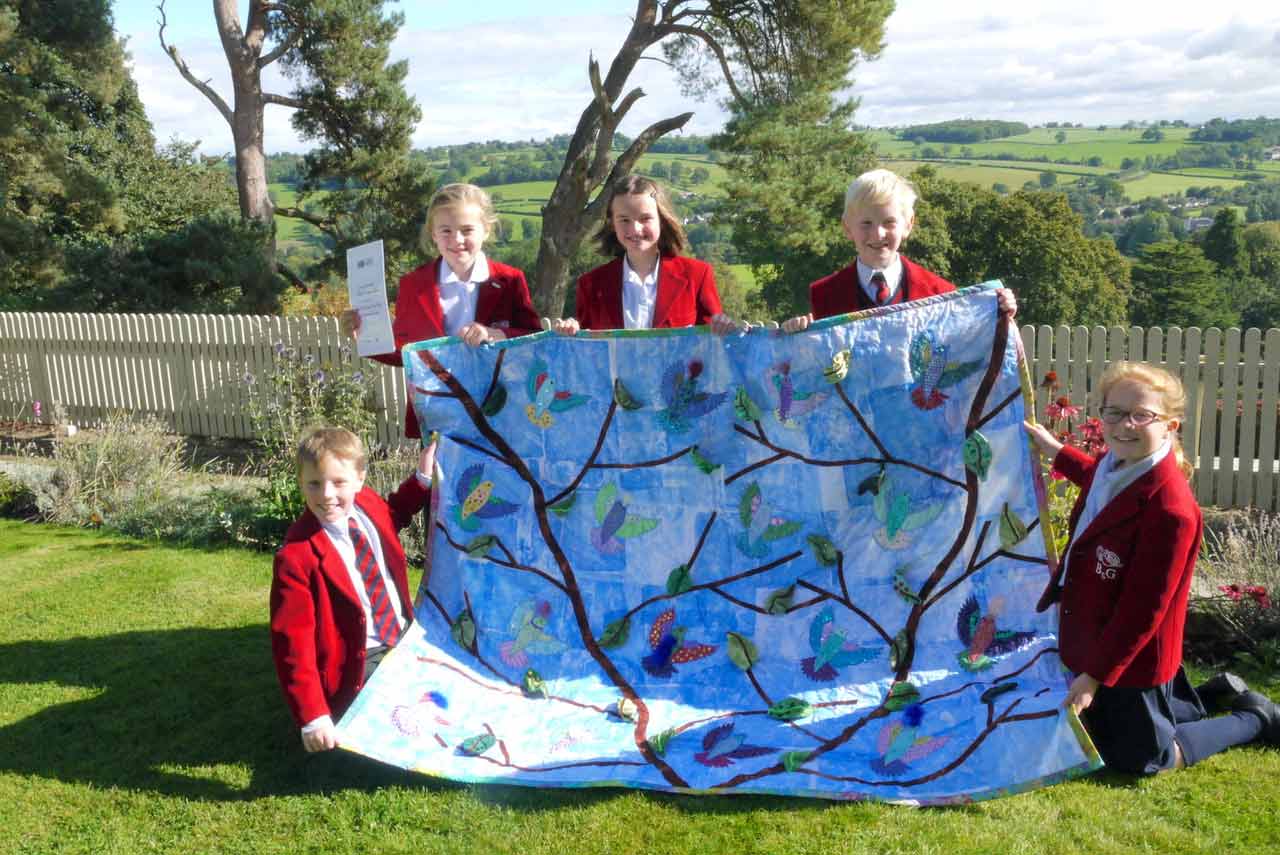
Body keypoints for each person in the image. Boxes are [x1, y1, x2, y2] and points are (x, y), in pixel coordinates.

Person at [1024, 362, 1278, 773]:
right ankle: (1201, 697)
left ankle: (1253, 717)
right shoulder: (1114, 465)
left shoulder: (1171, 511)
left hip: (1133, 657)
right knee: (1094, 732)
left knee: (1143, 761)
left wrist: (1093, 676)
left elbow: (1142, 612)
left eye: (1142, 415)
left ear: (1170, 426)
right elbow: (1093, 478)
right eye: (1115, 412)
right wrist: (1055, 450)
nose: (1126, 424)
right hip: (1094, 637)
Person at [271, 426, 437, 753]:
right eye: (314, 484)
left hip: (403, 639)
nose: (327, 495)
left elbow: (394, 515)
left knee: (447, 697)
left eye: (338, 482)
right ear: (301, 484)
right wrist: (314, 716)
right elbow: (293, 642)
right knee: (406, 736)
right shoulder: (296, 557)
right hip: (363, 661)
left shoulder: (368, 506)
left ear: (360, 479)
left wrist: (421, 479)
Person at [344, 183, 540, 438]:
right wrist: (365, 333)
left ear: (486, 230)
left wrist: (495, 334)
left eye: (467, 230)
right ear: (433, 234)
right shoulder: (414, 285)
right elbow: (405, 351)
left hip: (501, 412)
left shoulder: (510, 280)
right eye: (446, 230)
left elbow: (533, 339)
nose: (457, 240)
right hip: (438, 415)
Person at [780, 168, 1015, 332]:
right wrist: (796, 336)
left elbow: (967, 349)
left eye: (889, 223)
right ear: (847, 227)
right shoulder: (824, 295)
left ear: (908, 225)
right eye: (866, 223)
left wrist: (998, 315)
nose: (878, 234)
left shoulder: (940, 294)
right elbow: (814, 372)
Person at [549, 175, 739, 335]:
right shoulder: (591, 285)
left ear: (662, 220)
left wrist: (723, 327)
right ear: (612, 224)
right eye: (624, 220)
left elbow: (714, 345)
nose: (635, 229)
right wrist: (572, 331)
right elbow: (586, 353)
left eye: (645, 218)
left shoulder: (697, 275)